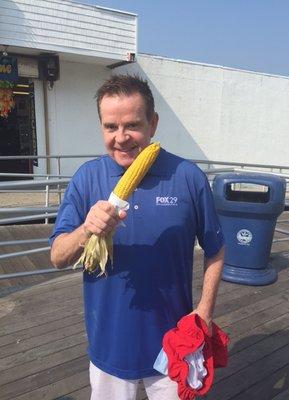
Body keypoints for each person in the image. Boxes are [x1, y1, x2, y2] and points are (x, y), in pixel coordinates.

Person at [50, 75, 225, 400]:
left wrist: (205, 310)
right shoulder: (87, 178)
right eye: (110, 127)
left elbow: (216, 250)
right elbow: (58, 256)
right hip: (109, 348)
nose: (121, 138)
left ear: (153, 123)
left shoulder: (188, 178)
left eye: (132, 125)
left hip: (174, 345)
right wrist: (86, 229)